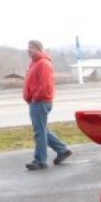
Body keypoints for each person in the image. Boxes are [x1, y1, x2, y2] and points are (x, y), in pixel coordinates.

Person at [23, 40, 72, 171]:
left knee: (39, 131)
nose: (29, 50)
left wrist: (35, 98)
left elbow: (45, 85)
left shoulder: (43, 63)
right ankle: (63, 150)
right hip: (35, 102)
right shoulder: (34, 63)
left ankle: (40, 160)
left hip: (40, 101)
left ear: (39, 49)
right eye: (28, 47)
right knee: (42, 129)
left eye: (32, 47)